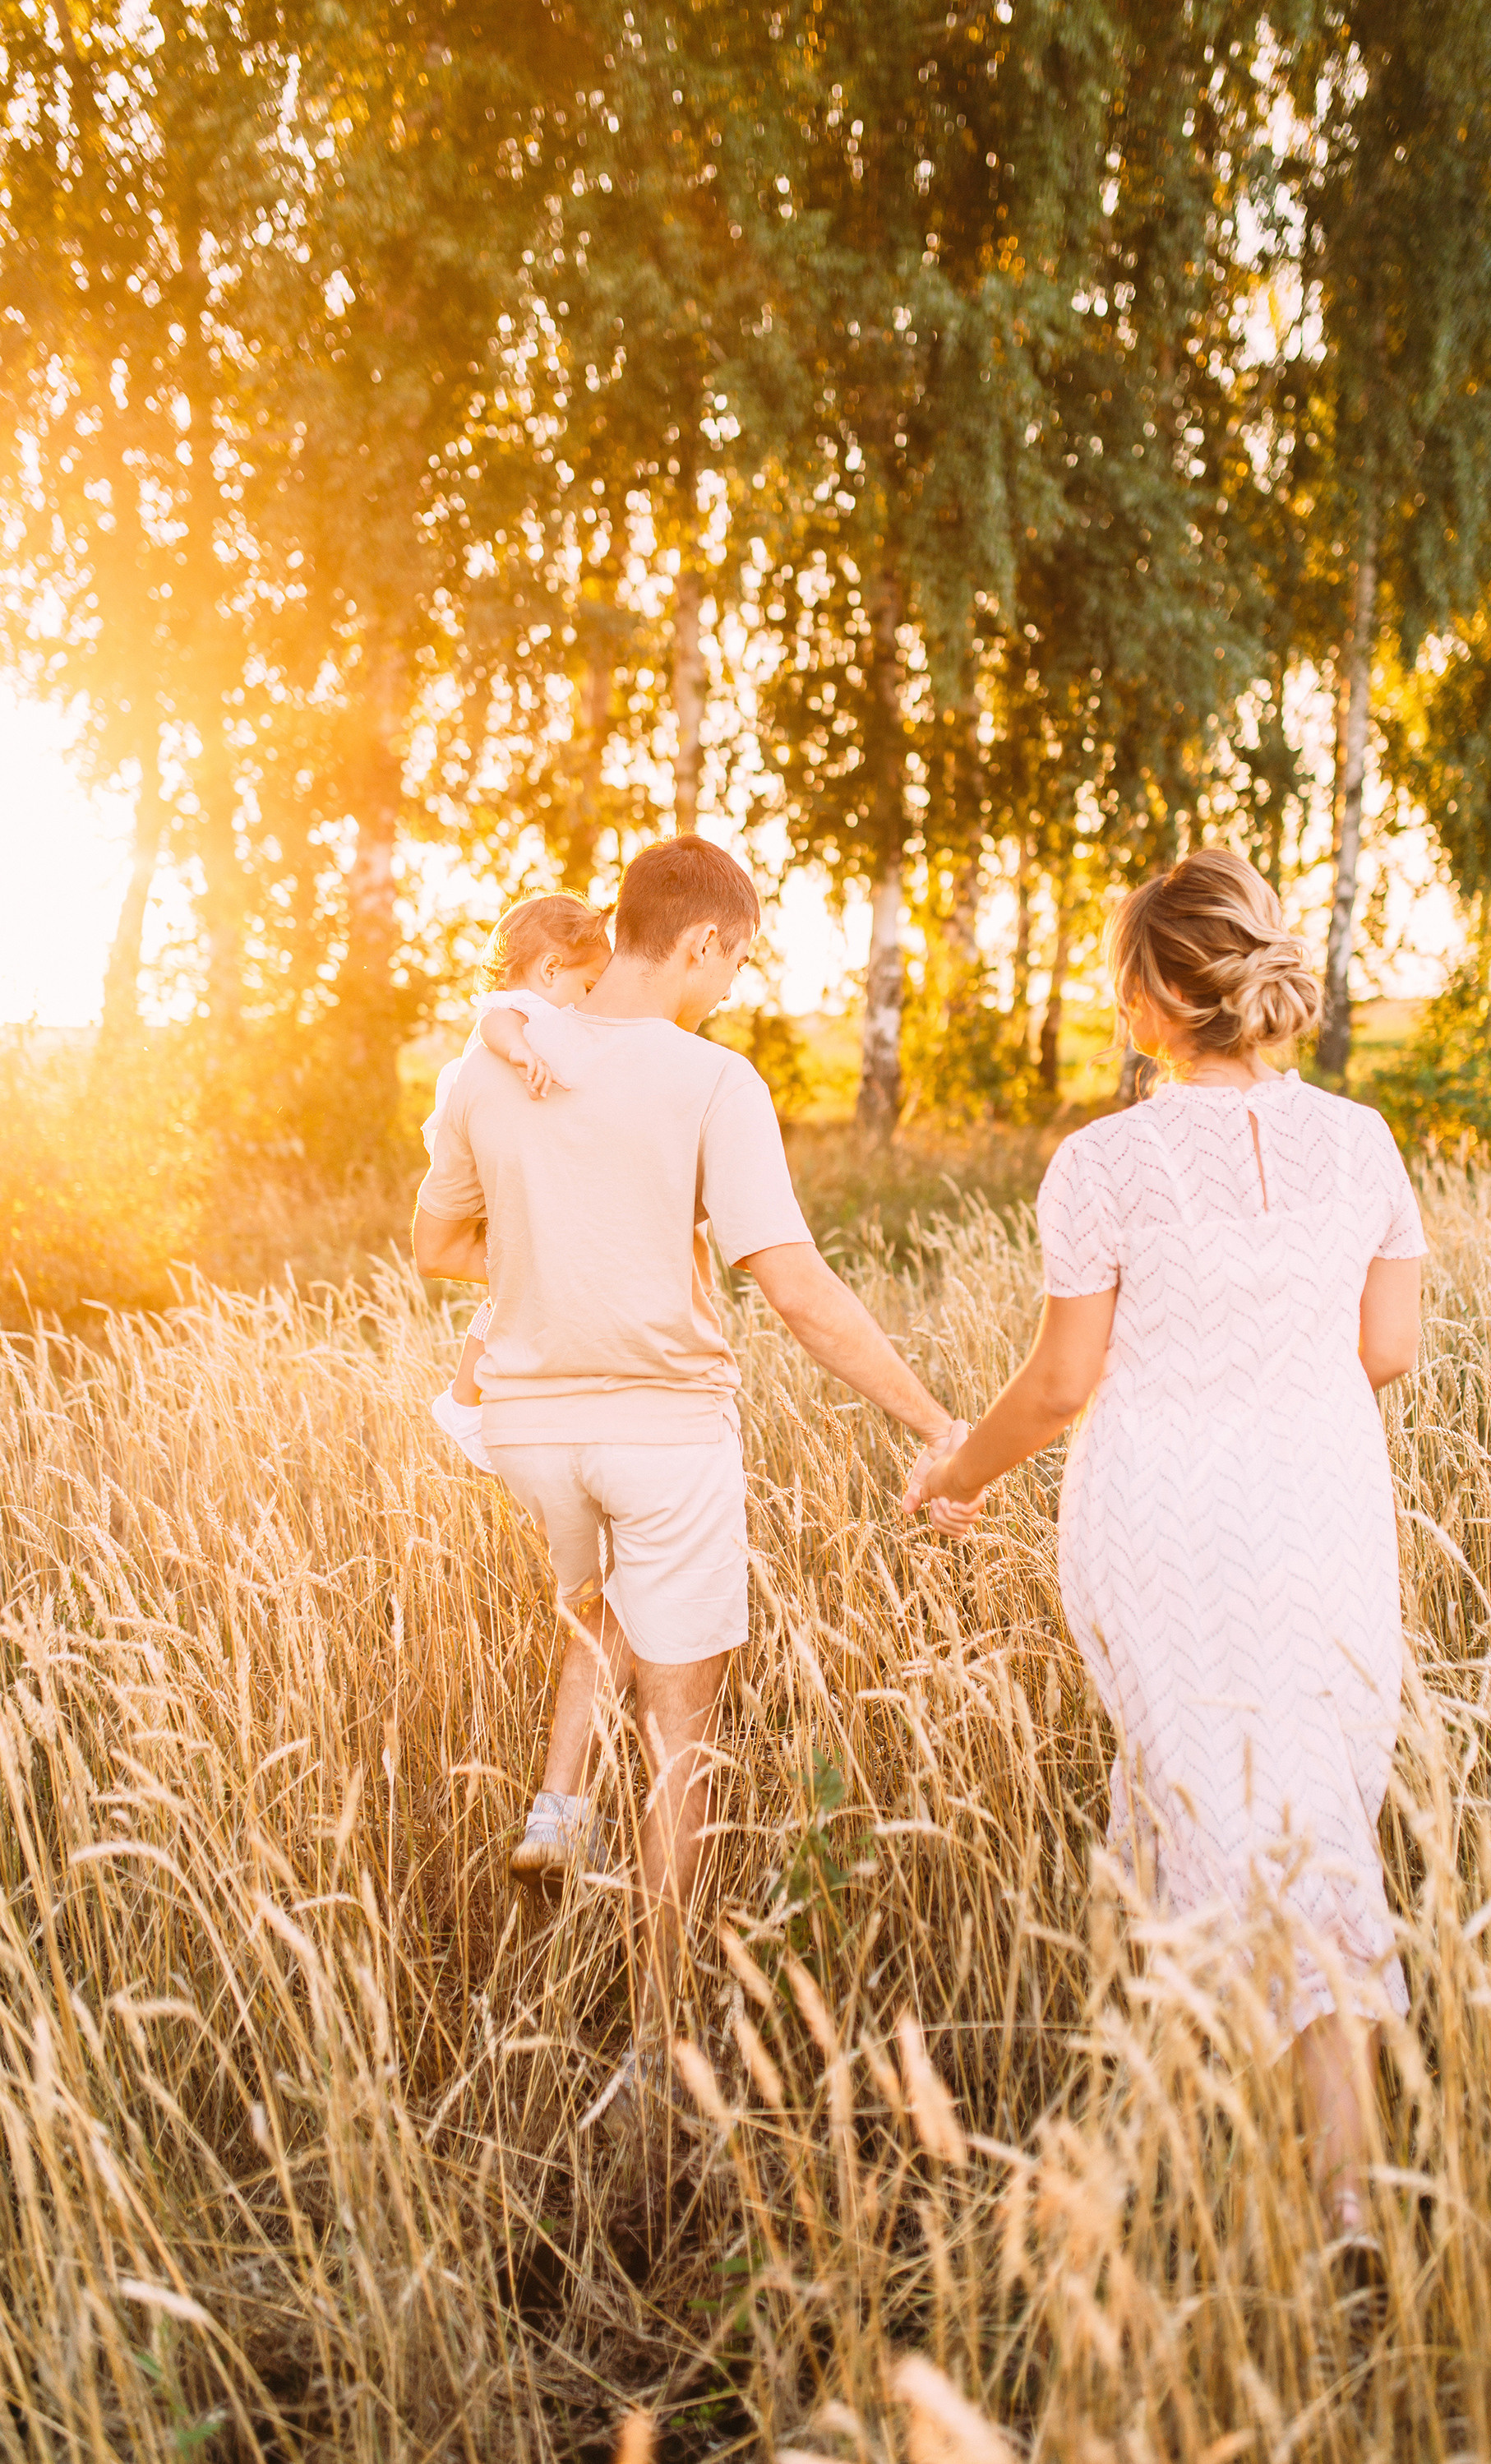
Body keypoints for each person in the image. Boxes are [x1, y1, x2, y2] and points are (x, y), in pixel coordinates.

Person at [904, 848, 1424, 2252]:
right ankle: (1344, 2182)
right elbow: (1388, 1349)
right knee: (1308, 1802)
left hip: (1165, 1513)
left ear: (1149, 995)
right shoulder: (1365, 1142)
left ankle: (1182, 2150)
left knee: (1195, 1787)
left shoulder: (1105, 1163)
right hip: (1324, 1503)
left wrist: (954, 1473)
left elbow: (1063, 1383)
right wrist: (1277, 1390)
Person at [413, 836, 962, 2130]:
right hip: (665, 1440)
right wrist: (933, 1421)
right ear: (704, 941)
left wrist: (551, 1243)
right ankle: (656, 2053)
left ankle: (558, 1833)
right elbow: (796, 1290)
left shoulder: (488, 1066)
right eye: (737, 962)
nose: (730, 990)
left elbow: (435, 1243)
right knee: (682, 1743)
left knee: (585, 1632)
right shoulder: (715, 1080)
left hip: (535, 1439)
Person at [422, 893, 612, 1472]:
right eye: (588, 985)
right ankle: (463, 1400)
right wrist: (522, 1050)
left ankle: (473, 1399)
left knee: (509, 1286)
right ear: (551, 969)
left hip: (506, 1155)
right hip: (485, 1154)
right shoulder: (520, 1010)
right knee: (508, 1283)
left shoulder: (556, 1011)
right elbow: (493, 1020)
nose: (592, 999)